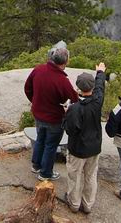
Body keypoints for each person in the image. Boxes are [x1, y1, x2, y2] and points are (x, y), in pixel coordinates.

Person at [24, 44, 78, 180]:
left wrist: (35, 101)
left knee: (40, 139)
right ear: (65, 62)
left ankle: (36, 165)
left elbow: (27, 88)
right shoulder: (62, 81)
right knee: (51, 145)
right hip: (54, 118)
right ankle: (45, 173)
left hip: (38, 113)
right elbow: (75, 99)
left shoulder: (38, 70)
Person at [62, 62, 106, 214]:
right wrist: (100, 72)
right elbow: (100, 87)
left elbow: (69, 130)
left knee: (75, 176)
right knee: (91, 175)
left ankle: (74, 204)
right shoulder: (98, 101)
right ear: (92, 88)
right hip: (94, 147)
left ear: (78, 89)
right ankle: (87, 205)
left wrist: (66, 112)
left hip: (78, 150)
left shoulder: (75, 109)